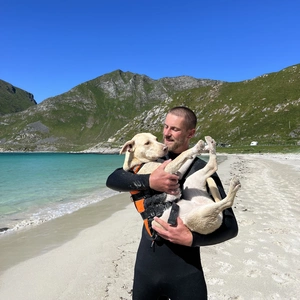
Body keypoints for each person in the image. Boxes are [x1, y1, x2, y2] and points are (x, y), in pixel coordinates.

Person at [106, 106, 238, 300]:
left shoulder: (200, 168)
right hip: (146, 268)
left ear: (190, 133)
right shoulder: (151, 160)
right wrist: (150, 181)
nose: (167, 134)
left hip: (185, 271)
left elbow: (231, 226)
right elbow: (114, 179)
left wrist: (192, 239)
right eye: (165, 127)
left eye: (174, 129)